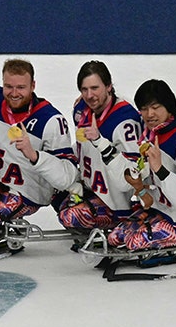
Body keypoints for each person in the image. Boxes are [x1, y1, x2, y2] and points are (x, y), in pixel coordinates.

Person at [0, 59, 77, 243]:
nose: (14, 93)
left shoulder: (51, 121)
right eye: (8, 86)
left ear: (33, 85)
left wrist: (34, 155)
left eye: (21, 87)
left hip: (28, 192)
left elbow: (67, 176)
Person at [105, 79, 176, 261]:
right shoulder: (152, 132)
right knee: (114, 237)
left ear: (169, 107)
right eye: (144, 108)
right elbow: (119, 108)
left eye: (155, 107)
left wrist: (160, 170)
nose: (149, 114)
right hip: (159, 211)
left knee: (132, 241)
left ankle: (172, 248)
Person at [58, 61, 143, 231]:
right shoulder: (81, 108)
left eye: (95, 88)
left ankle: (125, 222)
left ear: (109, 86)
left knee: (71, 216)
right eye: (84, 89)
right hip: (90, 188)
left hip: (116, 205)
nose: (89, 95)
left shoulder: (125, 121)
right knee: (52, 179)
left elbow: (134, 176)